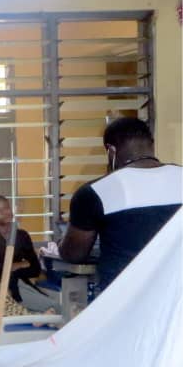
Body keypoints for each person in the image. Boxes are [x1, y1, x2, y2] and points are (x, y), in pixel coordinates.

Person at [60, 117, 181, 291]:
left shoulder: (96, 191)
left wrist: (60, 245)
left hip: (125, 297)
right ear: (152, 144)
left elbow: (74, 254)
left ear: (111, 151)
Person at [0, 194, 55, 312]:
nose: (5, 213)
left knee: (54, 307)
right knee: (51, 308)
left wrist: (14, 267)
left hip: (19, 283)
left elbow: (35, 269)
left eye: (6, 208)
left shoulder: (22, 235)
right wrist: (22, 264)